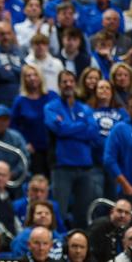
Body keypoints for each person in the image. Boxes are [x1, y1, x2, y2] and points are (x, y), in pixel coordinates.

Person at [45, 70, 100, 229]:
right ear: (59, 85)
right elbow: (58, 130)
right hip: (62, 166)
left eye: (71, 81)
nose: (68, 84)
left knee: (83, 213)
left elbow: (93, 132)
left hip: (85, 167)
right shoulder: (51, 107)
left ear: (75, 84)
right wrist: (82, 126)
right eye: (64, 82)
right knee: (59, 212)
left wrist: (68, 128)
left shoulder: (85, 108)